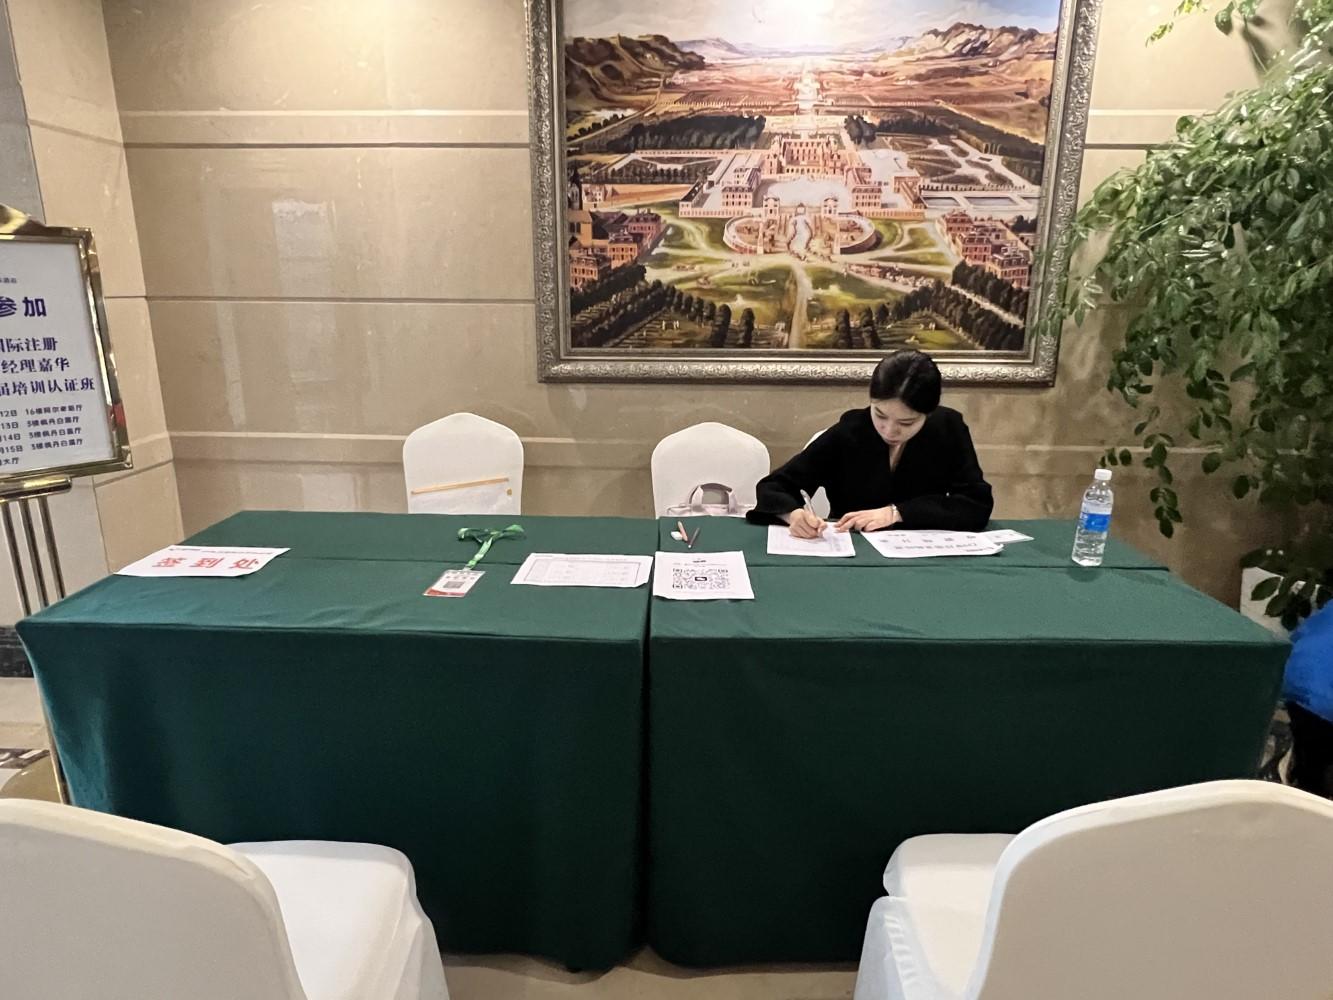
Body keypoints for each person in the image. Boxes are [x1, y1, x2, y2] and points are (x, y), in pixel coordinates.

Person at [748, 351, 993, 537]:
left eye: (906, 423)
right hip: (853, 552)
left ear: (927, 414)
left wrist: (897, 513)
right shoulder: (850, 431)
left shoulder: (947, 429)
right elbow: (774, 487)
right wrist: (792, 514)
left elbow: (976, 504)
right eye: (880, 415)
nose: (890, 430)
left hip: (922, 557)